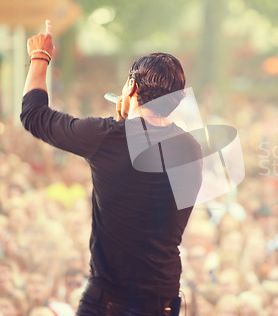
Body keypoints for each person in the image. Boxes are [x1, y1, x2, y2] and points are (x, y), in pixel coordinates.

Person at [21, 20, 202, 316]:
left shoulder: (108, 138)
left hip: (111, 301)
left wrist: (40, 56)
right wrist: (126, 122)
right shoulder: (191, 148)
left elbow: (34, 115)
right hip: (163, 299)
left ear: (130, 87)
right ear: (178, 99)